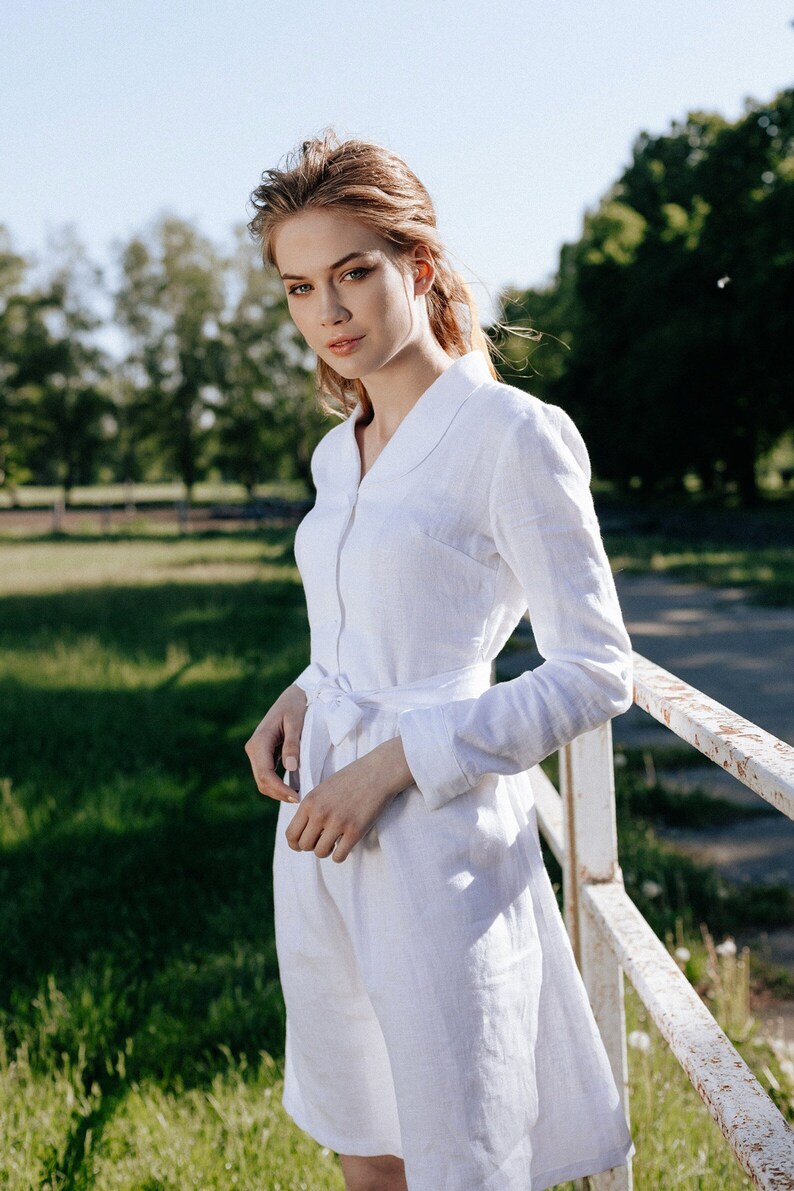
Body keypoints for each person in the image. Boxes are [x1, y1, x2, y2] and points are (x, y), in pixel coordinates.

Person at [244, 129, 636, 1191]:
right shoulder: (339, 449)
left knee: (458, 1151)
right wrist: (300, 692)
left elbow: (598, 669)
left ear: (416, 266)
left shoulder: (511, 434)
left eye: (352, 273)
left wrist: (394, 761)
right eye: (298, 288)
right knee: (362, 1144)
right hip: (316, 836)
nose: (327, 312)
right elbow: (366, 623)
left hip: (435, 845)